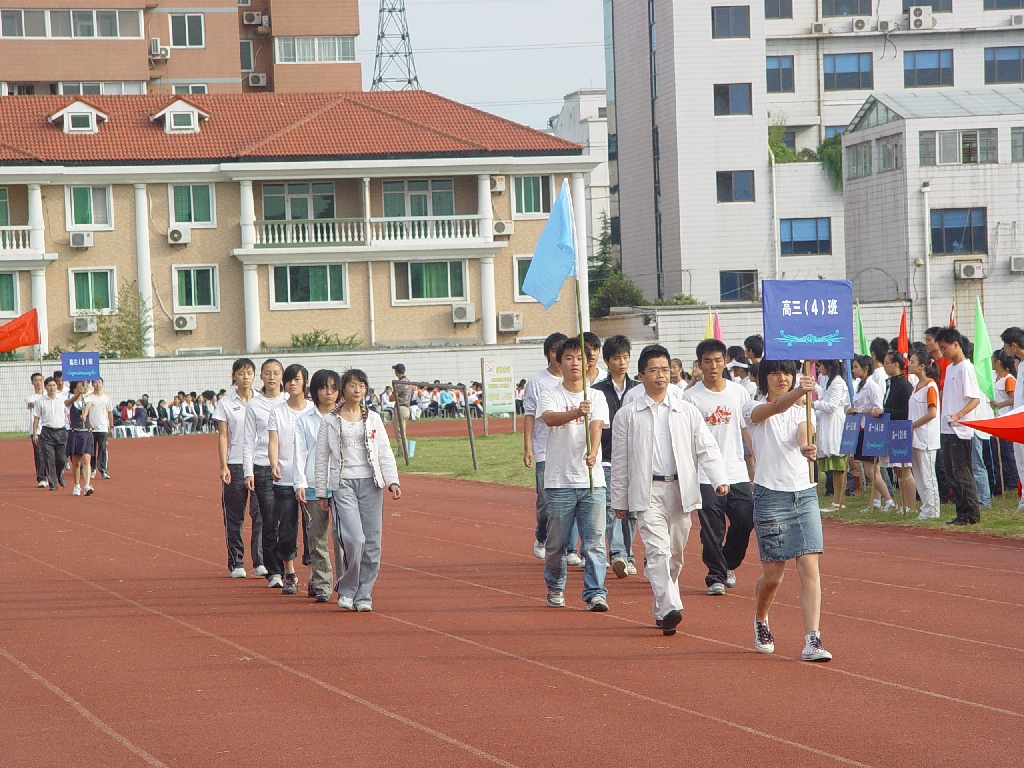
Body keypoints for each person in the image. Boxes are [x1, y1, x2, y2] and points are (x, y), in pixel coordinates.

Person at [611, 344, 729, 636]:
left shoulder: (685, 410)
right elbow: (620, 461)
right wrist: (619, 499)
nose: (661, 375)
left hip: (681, 490)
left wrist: (719, 478)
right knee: (658, 551)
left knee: (675, 555)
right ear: (641, 376)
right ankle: (671, 606)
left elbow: (706, 447)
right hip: (646, 491)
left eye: (665, 369)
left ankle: (661, 606)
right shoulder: (628, 415)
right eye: (654, 370)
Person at [743, 360, 831, 662]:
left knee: (809, 566)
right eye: (775, 373)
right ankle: (761, 619)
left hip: (803, 493)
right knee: (774, 574)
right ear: (763, 378)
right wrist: (799, 391)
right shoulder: (752, 409)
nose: (782, 378)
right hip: (770, 495)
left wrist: (808, 446)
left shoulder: (804, 409)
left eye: (787, 373)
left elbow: (803, 431)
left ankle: (813, 639)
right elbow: (777, 407)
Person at [315, 368, 401, 612]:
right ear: (344, 389)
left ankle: (363, 595)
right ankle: (348, 588)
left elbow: (384, 451)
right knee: (354, 539)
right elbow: (321, 459)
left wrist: (392, 480)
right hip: (343, 485)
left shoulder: (373, 418)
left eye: (362, 385)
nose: (357, 389)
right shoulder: (330, 420)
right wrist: (322, 492)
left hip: (371, 484)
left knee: (372, 544)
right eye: (352, 385)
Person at [538, 337, 609, 611]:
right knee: (557, 543)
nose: (575, 363)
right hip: (559, 481)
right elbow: (550, 418)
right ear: (559, 362)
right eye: (569, 358)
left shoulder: (596, 395)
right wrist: (575, 412)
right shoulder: (551, 393)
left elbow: (597, 425)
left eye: (580, 358)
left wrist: (592, 451)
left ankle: (595, 592)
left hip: (592, 481)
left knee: (594, 543)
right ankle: (555, 586)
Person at [682, 338, 755, 595]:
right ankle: (715, 575)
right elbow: (686, 438)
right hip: (705, 474)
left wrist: (756, 460)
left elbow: (747, 430)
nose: (713, 366)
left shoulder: (739, 392)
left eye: (717, 360)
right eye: (707, 362)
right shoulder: (690, 397)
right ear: (699, 365)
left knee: (745, 520)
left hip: (736, 471)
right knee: (712, 527)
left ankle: (728, 563)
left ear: (725, 362)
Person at [294, 369, 344, 602]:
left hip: (342, 484)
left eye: (334, 388)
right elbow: (300, 454)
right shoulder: (305, 421)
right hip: (314, 484)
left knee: (344, 537)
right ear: (314, 391)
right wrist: (299, 483)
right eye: (324, 388)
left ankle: (345, 584)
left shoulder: (345, 417)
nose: (329, 392)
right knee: (317, 538)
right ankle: (323, 586)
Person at [593, 335, 640, 578]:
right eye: (616, 358)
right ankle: (618, 554)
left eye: (625, 357)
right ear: (607, 361)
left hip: (635, 460)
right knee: (612, 509)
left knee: (632, 511)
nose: (622, 363)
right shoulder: (597, 391)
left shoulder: (638, 390)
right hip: (608, 459)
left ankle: (628, 555)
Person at [214, 358, 265, 579]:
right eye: (241, 373)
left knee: (261, 514)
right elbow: (223, 435)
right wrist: (223, 465)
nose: (246, 377)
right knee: (235, 516)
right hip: (235, 464)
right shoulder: (225, 403)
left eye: (250, 373)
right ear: (234, 375)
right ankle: (236, 562)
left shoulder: (263, 402)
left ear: (255, 376)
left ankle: (261, 560)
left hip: (259, 463)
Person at [266, 364, 314, 596]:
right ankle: (290, 573)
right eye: (289, 380)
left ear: (305, 382)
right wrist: (274, 463)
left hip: (311, 479)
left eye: (297, 379)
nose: (292, 384)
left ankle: (315, 574)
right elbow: (273, 441)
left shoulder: (314, 410)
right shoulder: (278, 411)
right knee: (286, 529)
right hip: (285, 478)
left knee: (313, 528)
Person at [523, 332, 568, 560]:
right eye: (553, 350)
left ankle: (568, 547)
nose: (558, 355)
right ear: (548, 354)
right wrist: (528, 447)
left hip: (568, 448)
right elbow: (529, 414)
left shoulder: (574, 380)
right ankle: (542, 534)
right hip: (543, 447)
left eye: (562, 350)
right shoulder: (537, 381)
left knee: (571, 497)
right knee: (544, 498)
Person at [243, 358, 288, 587]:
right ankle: (274, 572)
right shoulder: (254, 405)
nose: (272, 377)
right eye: (267, 373)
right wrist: (247, 471)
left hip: (288, 468)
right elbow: (248, 440)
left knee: (288, 522)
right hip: (262, 468)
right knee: (269, 520)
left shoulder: (290, 402)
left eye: (276, 373)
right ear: (261, 377)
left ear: (282, 376)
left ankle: (288, 566)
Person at [935, 328, 983, 525]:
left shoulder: (965, 368)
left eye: (944, 348)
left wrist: (959, 416)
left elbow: (975, 399)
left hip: (960, 429)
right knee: (951, 472)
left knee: (962, 473)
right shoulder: (950, 368)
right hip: (947, 428)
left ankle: (971, 513)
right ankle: (961, 511)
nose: (942, 352)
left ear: (956, 344)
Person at [848, 355, 895, 513]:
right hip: (861, 428)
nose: (854, 370)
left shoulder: (872, 386)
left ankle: (889, 500)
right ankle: (876, 502)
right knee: (873, 470)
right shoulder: (860, 386)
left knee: (870, 470)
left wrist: (860, 411)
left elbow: (877, 408)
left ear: (865, 368)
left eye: (856, 367)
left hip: (871, 429)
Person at [872, 351, 916, 512]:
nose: (884, 366)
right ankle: (903, 504)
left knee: (904, 470)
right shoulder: (890, 383)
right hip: (891, 429)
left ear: (896, 365)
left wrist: (884, 411)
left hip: (900, 430)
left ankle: (910, 505)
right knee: (897, 470)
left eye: (887, 363)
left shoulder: (904, 385)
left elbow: (905, 411)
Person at [813, 360, 851, 512]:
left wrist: (812, 404)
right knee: (834, 467)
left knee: (839, 466)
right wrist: (814, 387)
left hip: (835, 425)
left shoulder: (838, 383)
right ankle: (836, 500)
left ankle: (839, 500)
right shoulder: (830, 382)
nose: (819, 368)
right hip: (828, 425)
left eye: (821, 365)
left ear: (828, 366)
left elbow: (831, 406)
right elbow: (824, 395)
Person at [908, 351, 941, 519]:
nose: (909, 364)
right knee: (918, 474)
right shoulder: (916, 387)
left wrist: (912, 425)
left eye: (912, 362)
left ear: (922, 366)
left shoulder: (930, 386)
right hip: (914, 437)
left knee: (928, 474)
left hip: (926, 437)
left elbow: (932, 413)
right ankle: (925, 507)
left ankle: (933, 509)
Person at [1000, 327, 1024, 510]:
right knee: (1020, 462)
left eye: (1006, 346)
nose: (1005, 350)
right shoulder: (1021, 365)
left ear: (1014, 345)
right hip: (1018, 420)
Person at [990, 351, 1018, 496]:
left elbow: (1013, 398)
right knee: (999, 454)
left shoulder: (1008, 379)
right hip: (997, 420)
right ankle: (1003, 483)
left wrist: (999, 405)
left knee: (1007, 454)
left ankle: (1012, 482)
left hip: (1006, 419)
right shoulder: (997, 379)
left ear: (998, 362)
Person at [33, 376, 67, 491]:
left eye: (54, 385)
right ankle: (53, 483)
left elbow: (68, 414)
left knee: (61, 459)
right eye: (49, 385)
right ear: (46, 387)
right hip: (47, 432)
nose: (52, 387)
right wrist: (35, 433)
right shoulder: (40, 401)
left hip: (61, 431)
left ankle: (59, 474)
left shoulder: (62, 399)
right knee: (49, 458)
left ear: (57, 386)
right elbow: (36, 418)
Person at [64, 381, 95, 496]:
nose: (80, 389)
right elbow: (66, 403)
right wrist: (77, 395)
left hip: (86, 433)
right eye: (77, 388)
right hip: (74, 433)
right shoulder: (70, 399)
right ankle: (77, 485)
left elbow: (87, 408)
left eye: (82, 387)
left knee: (86, 459)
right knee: (76, 462)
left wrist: (85, 414)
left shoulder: (88, 399)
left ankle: (87, 485)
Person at [87, 378, 113, 479]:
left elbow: (110, 412)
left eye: (99, 383)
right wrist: (89, 423)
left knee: (102, 448)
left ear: (103, 384)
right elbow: (85, 412)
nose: (98, 385)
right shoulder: (89, 397)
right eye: (95, 383)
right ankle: (92, 469)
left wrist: (111, 426)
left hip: (103, 427)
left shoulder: (107, 397)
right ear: (92, 384)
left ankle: (103, 470)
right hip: (91, 428)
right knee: (91, 449)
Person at [26, 373, 45, 487]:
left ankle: (51, 475)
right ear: (32, 383)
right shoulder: (30, 397)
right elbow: (31, 404)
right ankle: (41, 478)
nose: (38, 383)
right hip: (36, 430)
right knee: (39, 454)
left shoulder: (49, 395)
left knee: (51, 455)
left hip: (49, 429)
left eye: (40, 380)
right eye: (36, 381)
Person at [392, 363, 414, 459]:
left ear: (397, 372)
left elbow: (391, 397)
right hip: (407, 408)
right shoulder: (408, 382)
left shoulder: (398, 384)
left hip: (400, 408)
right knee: (403, 431)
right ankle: (405, 450)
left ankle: (402, 451)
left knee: (399, 432)